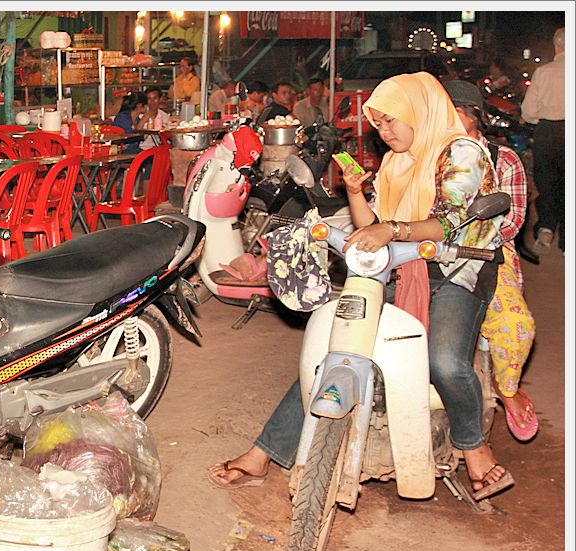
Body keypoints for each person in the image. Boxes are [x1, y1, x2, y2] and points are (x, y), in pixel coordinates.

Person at [209, 71, 514, 502]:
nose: (384, 132)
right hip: (400, 267)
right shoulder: (395, 162)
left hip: (458, 268)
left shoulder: (461, 151)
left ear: (417, 111)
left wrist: (391, 229)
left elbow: (449, 221)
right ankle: (266, 452)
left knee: (444, 361)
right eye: (379, 124)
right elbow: (371, 225)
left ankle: (473, 446)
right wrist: (354, 193)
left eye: (391, 120)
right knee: (337, 348)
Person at [444, 79, 539, 442]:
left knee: (515, 325)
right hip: (427, 251)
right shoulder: (424, 155)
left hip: (486, 253)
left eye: (451, 113)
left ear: (473, 116)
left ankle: (507, 386)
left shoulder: (504, 159)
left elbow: (511, 222)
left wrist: (462, 239)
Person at [521, 27, 565, 254]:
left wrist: (539, 118)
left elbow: (528, 111)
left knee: (547, 182)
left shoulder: (543, 72)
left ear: (556, 46)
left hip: (547, 132)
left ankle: (546, 229)